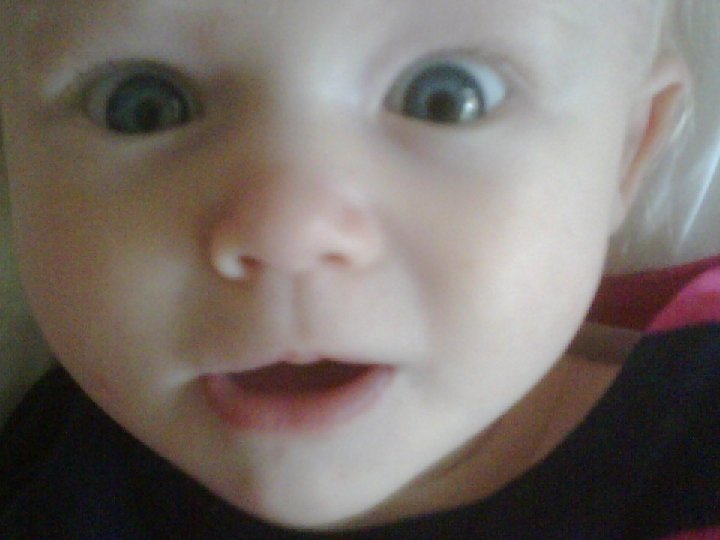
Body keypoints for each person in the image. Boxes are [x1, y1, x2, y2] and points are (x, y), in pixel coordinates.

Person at [0, 1, 718, 538]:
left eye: (447, 97)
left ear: (627, 154)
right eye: (141, 107)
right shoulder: (51, 476)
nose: (288, 233)